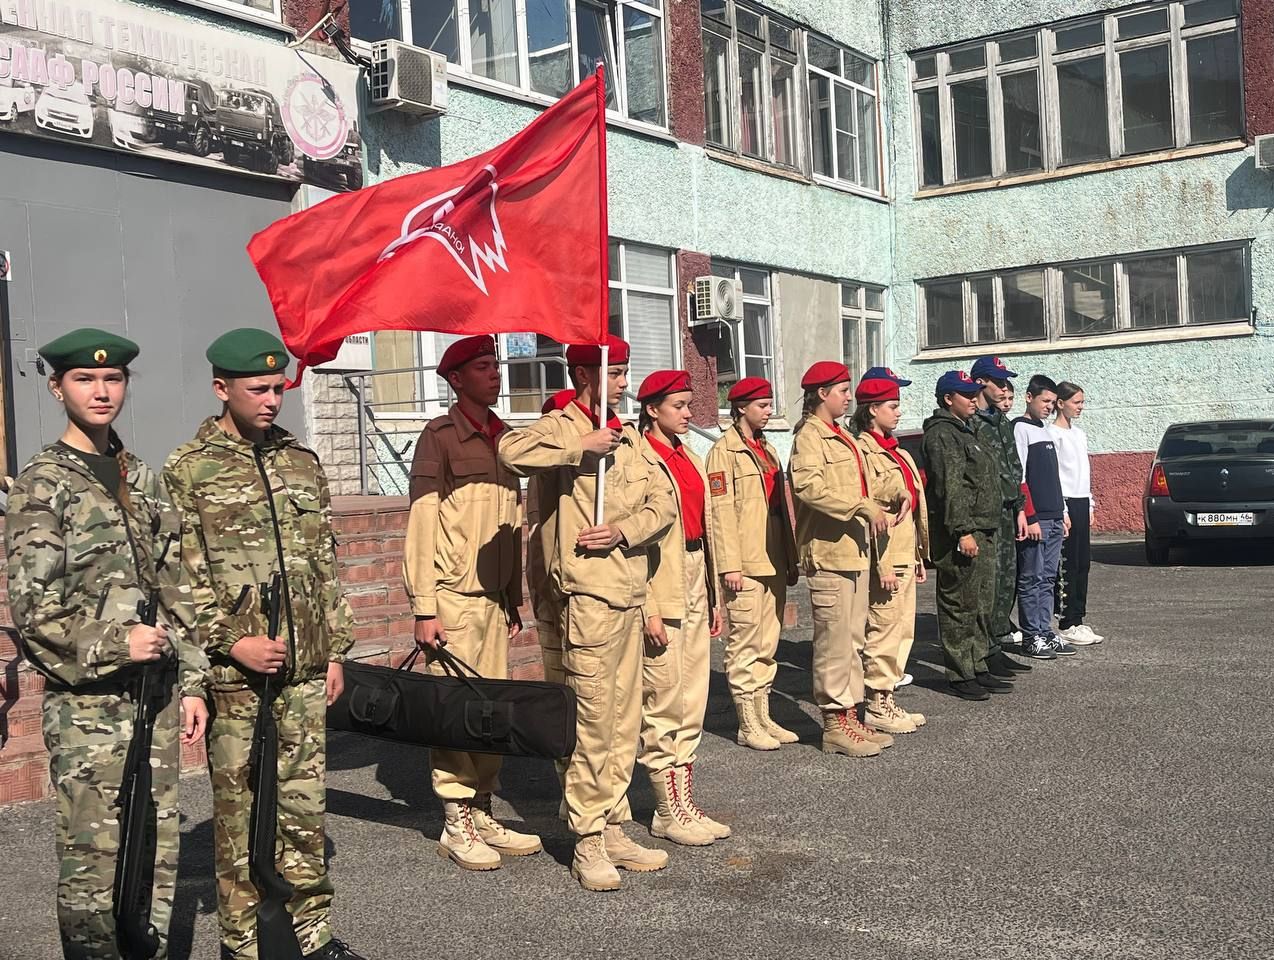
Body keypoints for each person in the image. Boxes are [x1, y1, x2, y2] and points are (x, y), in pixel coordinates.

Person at [6, 329, 209, 960]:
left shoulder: (141, 478)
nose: (101, 391)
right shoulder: (42, 484)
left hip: (156, 696)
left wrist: (194, 680)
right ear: (56, 387)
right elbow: (33, 611)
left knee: (156, 846)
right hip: (89, 708)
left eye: (113, 379)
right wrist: (119, 642)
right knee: (93, 863)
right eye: (85, 380)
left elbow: (179, 585)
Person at [163, 328, 364, 960]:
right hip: (235, 678)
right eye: (258, 389)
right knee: (239, 816)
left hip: (304, 669)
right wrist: (230, 646)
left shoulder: (300, 462)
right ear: (222, 388)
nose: (273, 400)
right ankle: (242, 943)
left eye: (279, 388)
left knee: (304, 809)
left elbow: (322, 564)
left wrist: (335, 647)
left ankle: (312, 933)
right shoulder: (188, 470)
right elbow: (179, 584)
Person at [498, 335, 676, 893]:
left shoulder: (628, 436)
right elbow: (510, 452)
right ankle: (587, 836)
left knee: (625, 719)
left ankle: (616, 823)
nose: (623, 382)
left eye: (625, 371)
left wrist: (625, 529)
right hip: (584, 598)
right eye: (615, 372)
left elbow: (663, 503)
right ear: (584, 373)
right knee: (591, 721)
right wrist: (579, 445)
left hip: (628, 591)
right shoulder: (562, 425)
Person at [404, 335, 542, 871]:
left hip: (492, 602)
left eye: (497, 365)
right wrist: (424, 605)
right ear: (456, 379)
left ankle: (482, 807)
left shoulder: (505, 438)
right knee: (455, 711)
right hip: (452, 600)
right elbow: (421, 524)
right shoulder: (438, 437)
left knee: (490, 711)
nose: (495, 374)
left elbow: (512, 525)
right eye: (483, 367)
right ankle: (455, 820)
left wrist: (512, 597)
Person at [632, 370, 727, 847]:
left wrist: (713, 595)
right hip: (661, 582)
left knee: (694, 697)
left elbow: (706, 527)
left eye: (690, 405)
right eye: (680, 406)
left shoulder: (688, 455)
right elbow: (635, 543)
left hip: (694, 574)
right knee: (664, 698)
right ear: (652, 409)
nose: (690, 414)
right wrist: (647, 606)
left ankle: (685, 801)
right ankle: (665, 809)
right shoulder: (638, 457)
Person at [789, 361, 894, 757]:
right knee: (834, 644)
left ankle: (850, 717)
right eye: (842, 390)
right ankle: (834, 723)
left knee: (851, 641)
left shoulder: (842, 436)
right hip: (830, 555)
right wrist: (861, 507)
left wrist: (893, 490)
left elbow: (865, 479)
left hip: (855, 552)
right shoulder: (810, 437)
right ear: (821, 394)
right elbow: (808, 486)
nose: (849, 397)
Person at [705, 377, 799, 752]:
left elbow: (781, 508)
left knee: (767, 642)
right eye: (761, 405)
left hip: (773, 556)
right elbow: (720, 513)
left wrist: (791, 557)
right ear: (741, 407)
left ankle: (763, 715)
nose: (768, 411)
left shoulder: (768, 450)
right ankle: (747, 723)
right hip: (744, 561)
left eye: (769, 404)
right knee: (745, 642)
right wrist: (729, 565)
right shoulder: (724, 453)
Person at [922, 371, 1009, 701]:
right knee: (960, 604)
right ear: (948, 399)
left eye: (975, 394)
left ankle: (977, 664)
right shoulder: (943, 435)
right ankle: (960, 673)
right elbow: (952, 487)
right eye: (966, 395)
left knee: (980, 603)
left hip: (983, 528)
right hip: (964, 533)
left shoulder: (967, 429)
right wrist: (963, 531)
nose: (974, 399)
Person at [851, 368, 930, 733]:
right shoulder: (863, 451)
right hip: (884, 555)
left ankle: (888, 698)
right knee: (883, 629)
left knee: (902, 629)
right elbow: (870, 513)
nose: (898, 412)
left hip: (902, 552)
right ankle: (877, 702)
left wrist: (915, 555)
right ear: (871, 410)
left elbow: (908, 504)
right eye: (892, 406)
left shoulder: (894, 448)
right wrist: (881, 562)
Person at [525, 388, 577, 822]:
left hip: (583, 595)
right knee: (564, 694)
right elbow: (538, 543)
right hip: (552, 596)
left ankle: (582, 787)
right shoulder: (544, 474)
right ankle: (568, 785)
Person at [970, 356, 1032, 676]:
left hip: (1009, 511)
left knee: (1007, 581)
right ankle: (986, 649)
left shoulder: (999, 420)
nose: (1004, 387)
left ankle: (998, 640)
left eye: (1006, 382)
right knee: (989, 584)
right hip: (987, 514)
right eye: (998, 382)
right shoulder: (972, 423)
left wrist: (1020, 508)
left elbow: (1013, 468)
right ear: (981, 382)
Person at [1013, 374, 1075, 660]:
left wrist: (1062, 511)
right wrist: (1030, 515)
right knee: (1032, 576)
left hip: (1053, 515)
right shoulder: (1021, 429)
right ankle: (1031, 634)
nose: (1049, 407)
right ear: (1029, 398)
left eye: (1052, 402)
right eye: (1045, 401)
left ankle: (1045, 630)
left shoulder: (1045, 431)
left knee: (1049, 577)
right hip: (1037, 517)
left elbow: (1055, 476)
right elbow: (1020, 476)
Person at [1049, 382, 1103, 646]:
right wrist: (1063, 509)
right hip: (1066, 502)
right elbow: (1057, 476)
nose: (1081, 407)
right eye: (1076, 402)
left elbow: (1084, 472)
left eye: (1082, 402)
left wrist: (1090, 503)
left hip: (1081, 501)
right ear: (1060, 403)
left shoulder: (1079, 434)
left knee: (1083, 562)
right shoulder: (1052, 434)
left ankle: (1078, 618)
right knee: (1067, 563)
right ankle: (1066, 620)